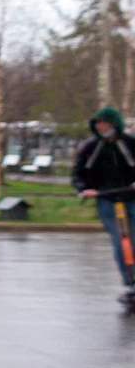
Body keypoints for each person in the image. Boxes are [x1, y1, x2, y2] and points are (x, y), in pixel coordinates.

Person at [72, 105, 135, 304]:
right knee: (122, 243)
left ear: (114, 124)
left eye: (104, 123)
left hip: (132, 199)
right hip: (109, 202)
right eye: (97, 124)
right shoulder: (91, 147)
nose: (100, 127)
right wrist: (84, 188)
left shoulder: (130, 144)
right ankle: (130, 283)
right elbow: (78, 173)